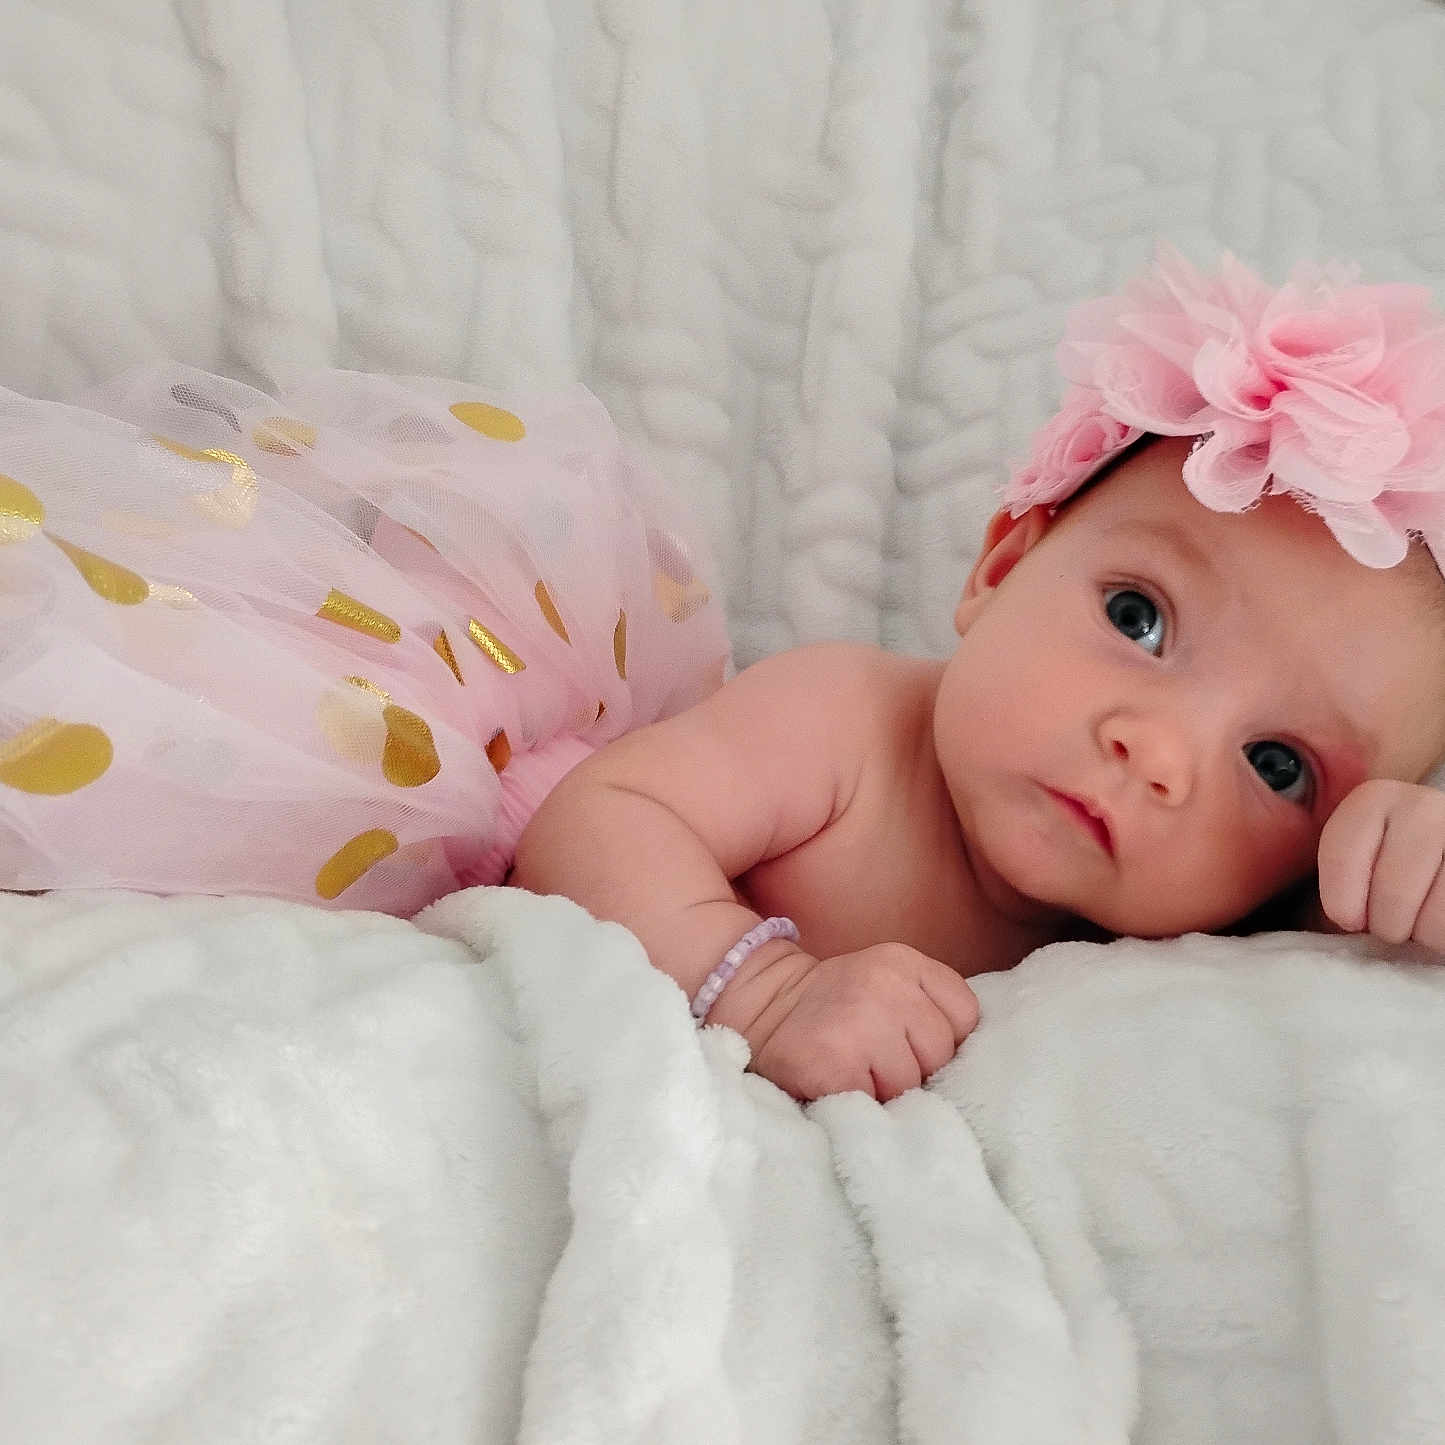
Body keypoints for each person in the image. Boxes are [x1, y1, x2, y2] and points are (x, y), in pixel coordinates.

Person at [513, 248, 1445, 1101]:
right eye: (1138, 619)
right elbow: (604, 815)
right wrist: (761, 991)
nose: (1156, 750)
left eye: (1277, 764)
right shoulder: (844, 726)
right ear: (998, 570)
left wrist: (1402, 884)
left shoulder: (1233, 921)